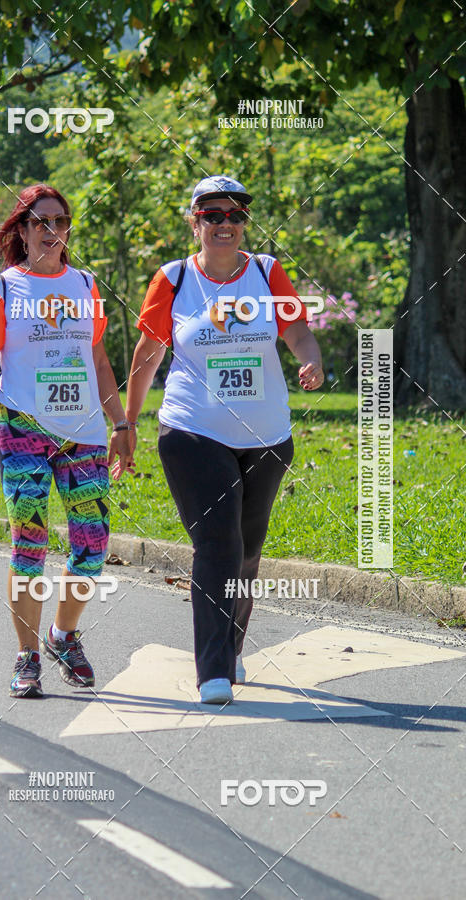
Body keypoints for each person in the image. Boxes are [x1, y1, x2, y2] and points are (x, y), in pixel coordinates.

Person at [125, 175, 324, 704]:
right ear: (195, 222)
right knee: (218, 544)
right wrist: (127, 424)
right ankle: (212, 671)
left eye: (236, 215)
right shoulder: (173, 279)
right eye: (213, 215)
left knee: (248, 550)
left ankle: (231, 645)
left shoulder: (267, 272)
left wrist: (310, 359)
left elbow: (297, 331)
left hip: (267, 435)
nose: (226, 224)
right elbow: (148, 355)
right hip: (194, 430)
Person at [0, 183, 133, 698]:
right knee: (30, 543)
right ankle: (27, 655)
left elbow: (99, 361)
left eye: (60, 221)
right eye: (41, 221)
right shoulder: (3, 288)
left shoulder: (85, 285)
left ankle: (63, 635)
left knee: (92, 544)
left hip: (83, 434)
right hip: (22, 428)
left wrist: (121, 424)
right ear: (22, 229)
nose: (52, 230)